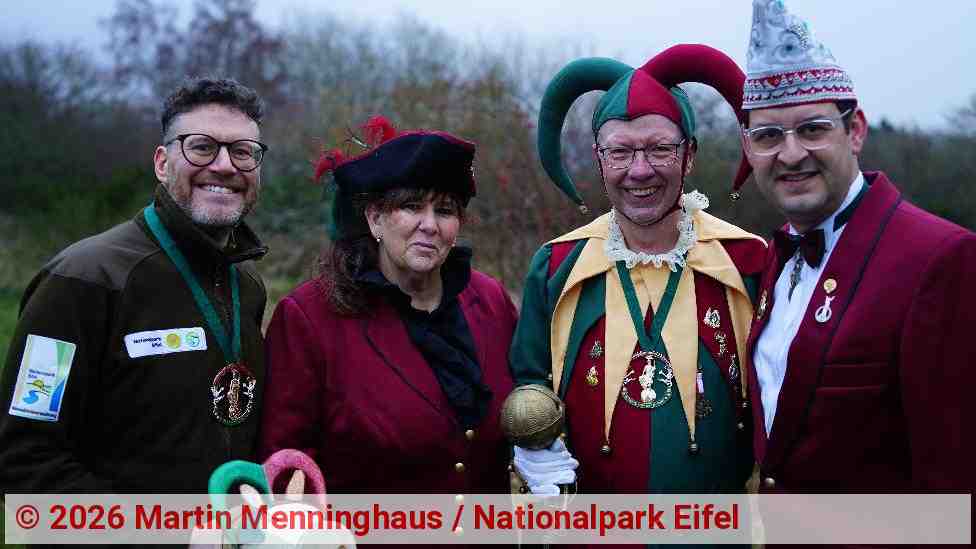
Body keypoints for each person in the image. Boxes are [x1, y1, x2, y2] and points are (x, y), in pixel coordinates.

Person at [509, 45, 767, 496]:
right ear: (598, 157)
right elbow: (529, 382)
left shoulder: (749, 262)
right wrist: (536, 453)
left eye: (659, 149)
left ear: (689, 156)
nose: (639, 171)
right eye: (621, 152)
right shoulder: (555, 266)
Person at [740, 0, 974, 495]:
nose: (791, 154)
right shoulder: (774, 259)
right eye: (767, 136)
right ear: (748, 149)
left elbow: (957, 485)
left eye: (813, 129)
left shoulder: (941, 258)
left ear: (856, 131)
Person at [0, 77, 269, 493]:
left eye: (242, 152)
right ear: (162, 163)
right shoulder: (82, 278)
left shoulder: (246, 283)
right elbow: (22, 461)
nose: (225, 165)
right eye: (201, 146)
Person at [258, 117, 517, 494]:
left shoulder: (490, 301)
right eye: (411, 206)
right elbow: (286, 468)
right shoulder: (309, 318)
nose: (430, 224)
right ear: (375, 218)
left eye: (445, 211)